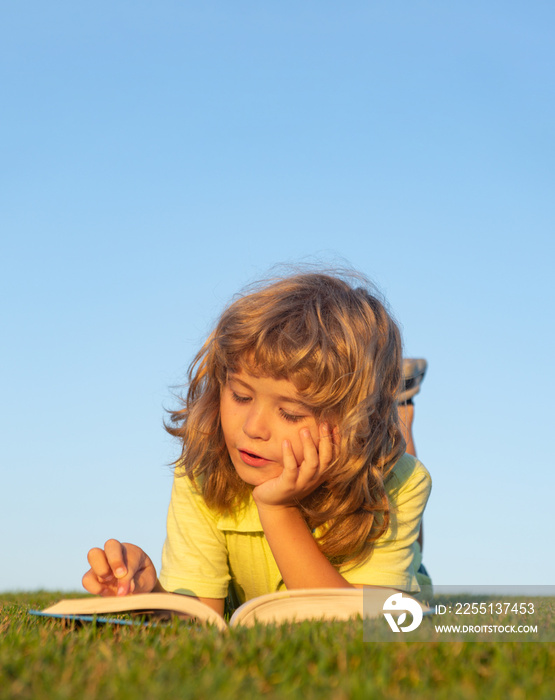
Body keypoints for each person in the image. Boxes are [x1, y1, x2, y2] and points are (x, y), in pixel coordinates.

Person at [82, 269, 432, 615]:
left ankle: (398, 413)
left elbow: (351, 626)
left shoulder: (402, 483)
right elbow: (201, 620)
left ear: (352, 422)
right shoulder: (203, 470)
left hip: (394, 590)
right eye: (240, 396)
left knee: (392, 483)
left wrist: (279, 510)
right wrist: (150, 598)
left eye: (291, 414)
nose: (252, 428)